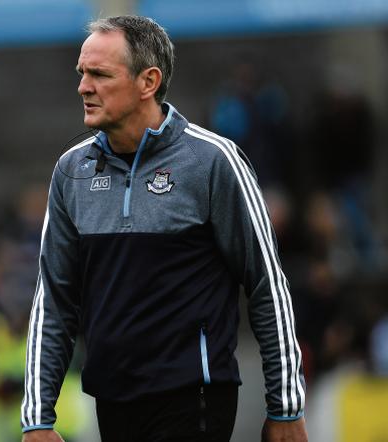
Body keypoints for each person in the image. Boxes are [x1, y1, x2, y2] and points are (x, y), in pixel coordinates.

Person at [21, 16, 307, 442]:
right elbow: (55, 302)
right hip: (113, 399)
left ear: (148, 81)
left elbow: (267, 285)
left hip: (194, 398)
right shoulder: (71, 172)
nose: (84, 87)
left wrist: (285, 406)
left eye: (100, 74)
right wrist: (38, 418)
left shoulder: (213, 162)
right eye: (82, 74)